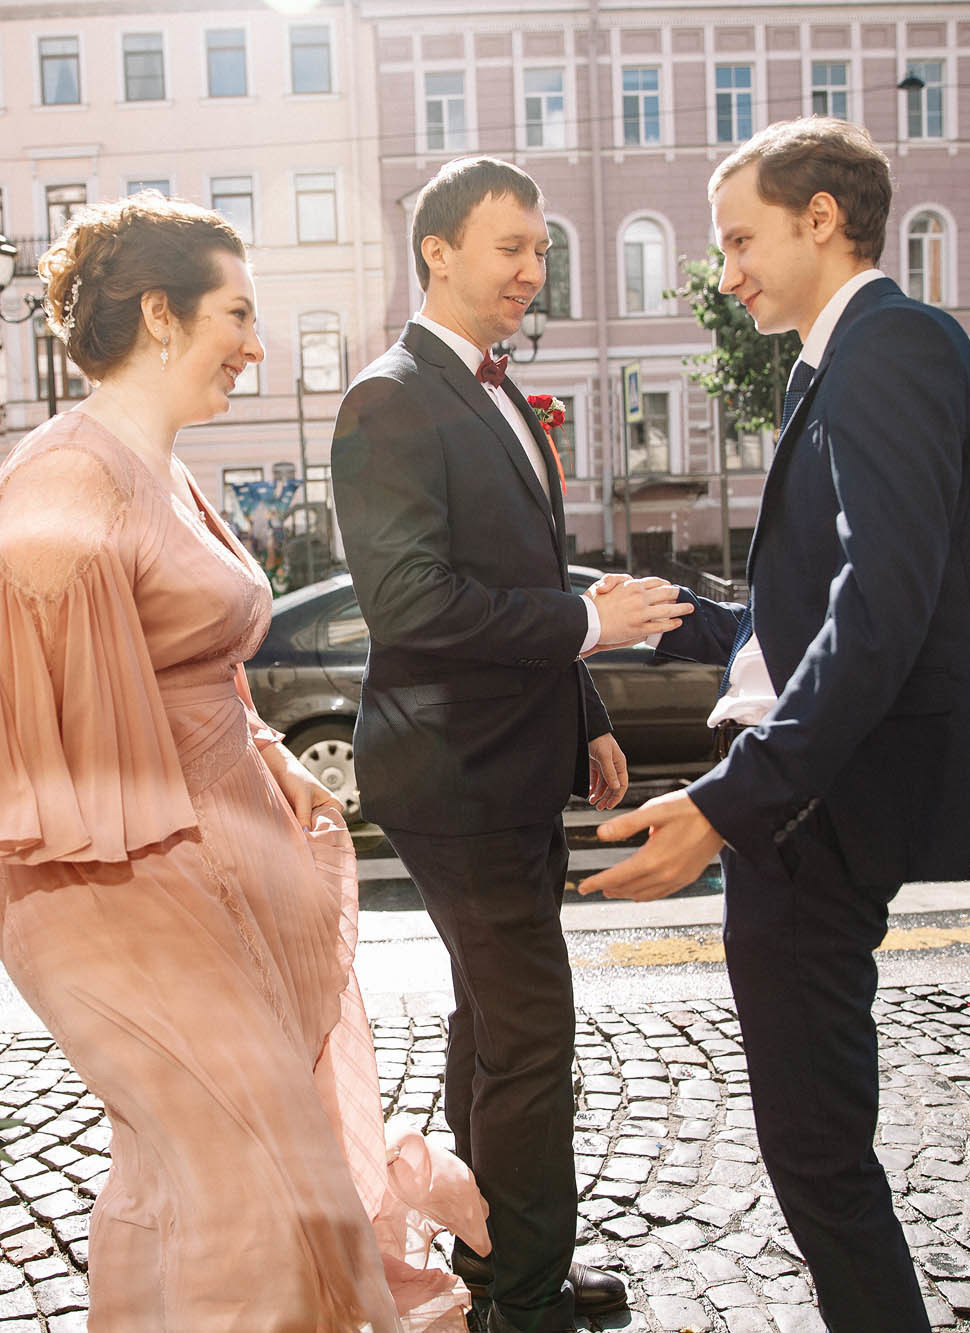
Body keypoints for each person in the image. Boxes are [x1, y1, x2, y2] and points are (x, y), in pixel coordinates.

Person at [0, 195, 489, 1332]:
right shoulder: (62, 487)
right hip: (107, 889)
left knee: (199, 1179)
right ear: (158, 314)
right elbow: (8, 731)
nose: (255, 344)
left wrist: (268, 751)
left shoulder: (162, 469)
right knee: (256, 1189)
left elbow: (181, 659)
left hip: (207, 858)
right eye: (236, 314)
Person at [581, 118, 970, 1333]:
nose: (726, 271)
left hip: (818, 804)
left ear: (822, 218)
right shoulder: (843, 356)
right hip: (810, 794)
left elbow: (881, 610)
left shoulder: (888, 346)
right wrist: (662, 618)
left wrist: (728, 801)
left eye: (738, 238)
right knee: (815, 1142)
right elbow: (805, 611)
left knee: (815, 1150)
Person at [331, 158, 685, 1333]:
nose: (533, 271)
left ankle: (494, 1261)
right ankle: (523, 1299)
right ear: (436, 251)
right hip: (454, 775)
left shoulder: (496, 392)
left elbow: (517, 575)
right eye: (508, 249)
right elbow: (411, 605)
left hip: (516, 759)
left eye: (539, 250)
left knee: (491, 1024)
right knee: (530, 1038)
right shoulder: (388, 398)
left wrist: (583, 711)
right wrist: (590, 622)